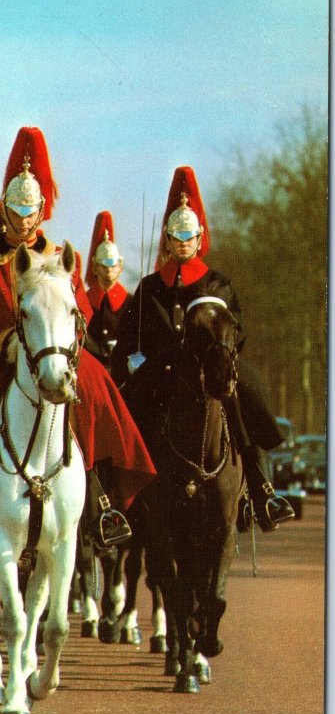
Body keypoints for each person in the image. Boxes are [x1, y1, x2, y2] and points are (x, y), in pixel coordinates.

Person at [0, 126, 155, 554]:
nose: (22, 220)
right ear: (5, 210)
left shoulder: (57, 258)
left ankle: (100, 497)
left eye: (30, 211)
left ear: (41, 211)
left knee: (95, 387)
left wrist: (80, 344)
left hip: (46, 351)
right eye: (15, 211)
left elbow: (81, 319)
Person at [111, 165, 294, 532]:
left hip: (209, 371)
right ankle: (116, 502)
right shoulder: (149, 288)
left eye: (188, 237)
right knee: (126, 408)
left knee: (246, 395)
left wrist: (225, 355)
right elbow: (128, 336)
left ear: (199, 239)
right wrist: (131, 360)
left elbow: (235, 327)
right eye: (176, 238)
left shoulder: (217, 284)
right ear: (167, 239)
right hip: (161, 373)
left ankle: (261, 490)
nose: (182, 244)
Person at [83, 211, 132, 372]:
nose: (109, 271)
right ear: (95, 267)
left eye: (113, 266)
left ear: (120, 267)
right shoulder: (83, 302)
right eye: (104, 266)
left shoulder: (132, 302)